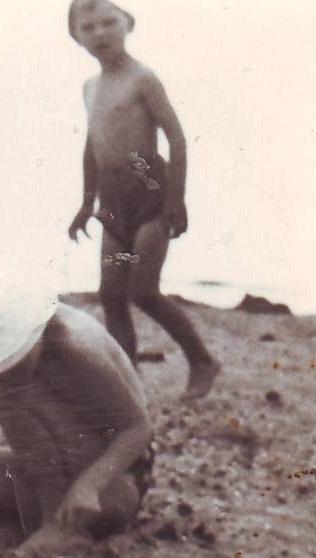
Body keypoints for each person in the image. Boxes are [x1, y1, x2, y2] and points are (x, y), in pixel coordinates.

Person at [0, 266, 153, 558]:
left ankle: (57, 526)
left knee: (5, 394)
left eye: (8, 361)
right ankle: (35, 516)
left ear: (29, 333)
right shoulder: (15, 349)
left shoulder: (75, 346)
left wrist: (90, 485)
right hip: (57, 473)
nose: (1, 372)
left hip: (114, 485)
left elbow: (138, 430)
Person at [66, 0, 220, 399]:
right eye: (88, 27)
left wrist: (176, 200)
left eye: (109, 23)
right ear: (76, 36)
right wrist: (86, 203)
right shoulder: (90, 87)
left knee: (143, 291)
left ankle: (202, 360)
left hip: (150, 195)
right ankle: (127, 383)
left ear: (128, 24)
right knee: (111, 295)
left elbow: (177, 138)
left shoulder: (142, 78)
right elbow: (92, 147)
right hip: (113, 202)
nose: (100, 33)